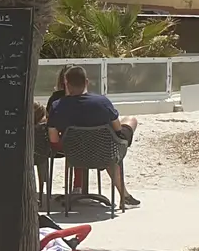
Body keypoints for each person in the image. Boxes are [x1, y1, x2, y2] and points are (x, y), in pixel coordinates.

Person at [47, 65, 140, 208]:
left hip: (73, 153)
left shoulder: (57, 106)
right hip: (103, 151)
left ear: (66, 83)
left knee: (105, 147)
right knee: (130, 122)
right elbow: (117, 129)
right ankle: (124, 196)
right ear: (87, 82)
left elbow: (54, 140)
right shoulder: (102, 102)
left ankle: (81, 188)